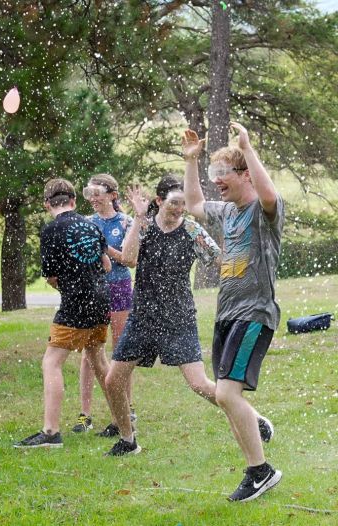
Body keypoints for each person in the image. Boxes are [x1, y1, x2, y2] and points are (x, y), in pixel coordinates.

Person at [183, 122, 284, 502]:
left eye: (224, 174)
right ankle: (256, 450)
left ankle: (261, 471)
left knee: (225, 394)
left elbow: (270, 193)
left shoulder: (263, 210)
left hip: (254, 313)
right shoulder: (227, 212)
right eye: (215, 174)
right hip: (227, 315)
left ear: (245, 175)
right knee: (227, 396)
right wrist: (191, 162)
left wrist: (248, 149)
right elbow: (193, 205)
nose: (217, 181)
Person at [102, 176, 233, 456]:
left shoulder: (191, 229)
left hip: (178, 317)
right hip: (143, 317)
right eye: (174, 202)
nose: (180, 208)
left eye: (184, 203)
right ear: (159, 202)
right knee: (113, 380)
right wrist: (138, 218)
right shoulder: (145, 226)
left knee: (198, 383)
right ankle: (128, 440)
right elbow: (128, 259)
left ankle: (251, 418)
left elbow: (220, 259)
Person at [15, 179, 114, 448]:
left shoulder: (50, 231)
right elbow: (106, 265)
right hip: (101, 300)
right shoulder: (92, 225)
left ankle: (50, 432)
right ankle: (121, 419)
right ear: (73, 201)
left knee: (52, 362)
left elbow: (52, 277)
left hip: (76, 303)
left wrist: (72, 286)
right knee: (98, 359)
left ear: (48, 204)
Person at [72, 174, 136, 436]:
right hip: (93, 289)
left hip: (120, 288)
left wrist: (104, 247)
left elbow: (130, 260)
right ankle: (85, 415)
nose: (93, 198)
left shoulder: (126, 222)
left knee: (121, 351)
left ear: (112, 195)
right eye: (89, 193)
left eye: (98, 192)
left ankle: (127, 410)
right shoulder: (86, 223)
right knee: (90, 353)